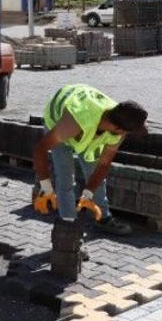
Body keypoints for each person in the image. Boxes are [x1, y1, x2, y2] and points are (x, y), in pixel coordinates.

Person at [32, 84, 148, 236]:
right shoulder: (74, 123)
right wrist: (46, 188)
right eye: (125, 133)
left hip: (89, 129)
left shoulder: (117, 124)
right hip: (59, 120)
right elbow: (39, 149)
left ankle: (103, 218)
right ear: (118, 128)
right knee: (65, 179)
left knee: (93, 171)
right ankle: (69, 231)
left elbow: (104, 165)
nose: (124, 135)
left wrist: (88, 195)